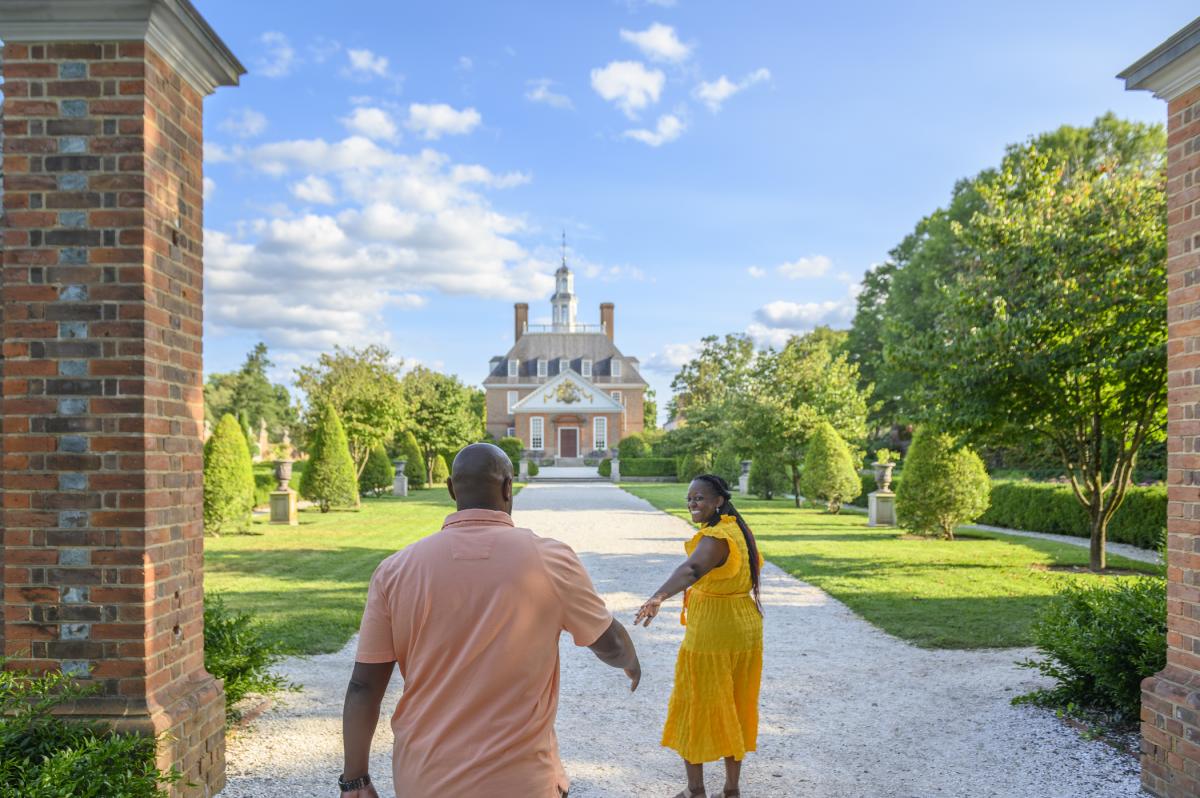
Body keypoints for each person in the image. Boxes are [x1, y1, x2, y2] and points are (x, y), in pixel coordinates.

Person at [339, 443, 640, 798]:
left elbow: (363, 686)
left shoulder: (395, 569)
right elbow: (610, 644)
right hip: (521, 779)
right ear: (508, 487)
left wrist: (355, 779)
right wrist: (631, 662)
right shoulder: (549, 560)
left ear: (451, 488)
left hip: (424, 776)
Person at [634, 474, 764, 798]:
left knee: (697, 704)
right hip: (745, 627)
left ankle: (696, 792)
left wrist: (658, 596)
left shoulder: (717, 537)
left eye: (699, 498)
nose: (692, 503)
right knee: (734, 705)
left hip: (714, 632)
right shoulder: (738, 529)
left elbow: (692, 570)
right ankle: (731, 790)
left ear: (718, 501)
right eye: (689, 498)